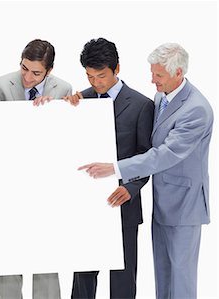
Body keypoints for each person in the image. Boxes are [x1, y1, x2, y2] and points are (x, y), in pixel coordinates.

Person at [78, 43, 214, 299]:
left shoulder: (196, 109)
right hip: (163, 202)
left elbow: (163, 154)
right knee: (163, 275)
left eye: (158, 75)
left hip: (185, 205)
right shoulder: (162, 97)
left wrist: (116, 169)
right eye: (152, 73)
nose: (152, 80)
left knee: (182, 277)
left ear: (178, 73)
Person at [60, 38, 154, 299]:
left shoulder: (141, 105)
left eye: (101, 76)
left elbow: (147, 156)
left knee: (123, 281)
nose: (95, 83)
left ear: (117, 69)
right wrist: (64, 113)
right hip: (85, 206)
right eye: (90, 76)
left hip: (123, 204)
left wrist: (131, 188)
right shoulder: (80, 100)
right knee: (83, 280)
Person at [0, 39, 72, 299]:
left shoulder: (64, 89)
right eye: (24, 68)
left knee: (45, 258)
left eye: (36, 72)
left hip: (46, 184)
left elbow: (69, 137)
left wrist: (52, 114)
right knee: (8, 259)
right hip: (8, 182)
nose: (27, 77)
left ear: (50, 70)